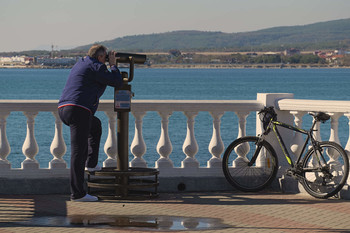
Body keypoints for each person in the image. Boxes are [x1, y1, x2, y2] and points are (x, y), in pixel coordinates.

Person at [58, 44, 123, 202]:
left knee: (95, 126)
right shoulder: (96, 66)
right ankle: (78, 194)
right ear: (100, 57)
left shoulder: (82, 63)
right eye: (105, 57)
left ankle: (91, 163)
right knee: (78, 152)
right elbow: (117, 81)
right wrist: (113, 65)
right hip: (78, 110)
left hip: (65, 108)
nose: (106, 60)